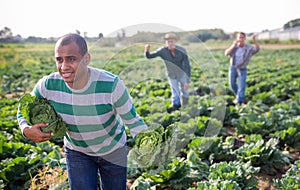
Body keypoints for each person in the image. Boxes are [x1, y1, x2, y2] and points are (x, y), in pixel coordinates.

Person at [17, 33, 148, 190]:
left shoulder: (111, 85)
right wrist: (25, 129)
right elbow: (23, 109)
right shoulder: (47, 85)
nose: (64, 66)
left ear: (86, 59)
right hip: (77, 151)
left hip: (113, 150)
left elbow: (133, 121)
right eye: (59, 59)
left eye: (71, 59)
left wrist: (149, 145)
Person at [144, 33, 191, 112]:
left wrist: (187, 81)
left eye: (172, 41)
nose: (170, 43)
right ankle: (176, 107)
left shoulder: (182, 50)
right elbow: (150, 56)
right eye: (168, 41)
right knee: (175, 92)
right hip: (171, 75)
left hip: (182, 73)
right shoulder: (162, 51)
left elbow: (187, 66)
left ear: (175, 41)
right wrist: (147, 50)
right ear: (166, 42)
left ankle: (186, 107)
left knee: (185, 90)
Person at [224, 32, 260, 105]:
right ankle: (238, 96)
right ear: (237, 39)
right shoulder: (234, 47)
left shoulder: (248, 48)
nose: (241, 39)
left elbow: (257, 49)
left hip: (242, 69)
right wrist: (233, 45)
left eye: (242, 37)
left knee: (241, 85)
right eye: (239, 37)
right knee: (232, 84)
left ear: (245, 38)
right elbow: (226, 53)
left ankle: (240, 101)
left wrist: (254, 40)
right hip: (233, 67)